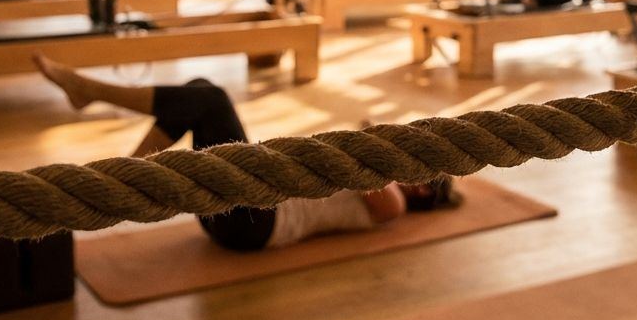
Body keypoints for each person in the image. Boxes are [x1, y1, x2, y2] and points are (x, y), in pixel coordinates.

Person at [33, 55, 459, 251]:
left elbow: (365, 176)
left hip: (254, 224)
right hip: (239, 208)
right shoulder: (381, 179)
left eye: (421, 173)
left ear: (424, 191)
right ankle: (126, 174)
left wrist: (376, 138)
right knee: (200, 90)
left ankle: (93, 97)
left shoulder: (395, 206)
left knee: (212, 99)